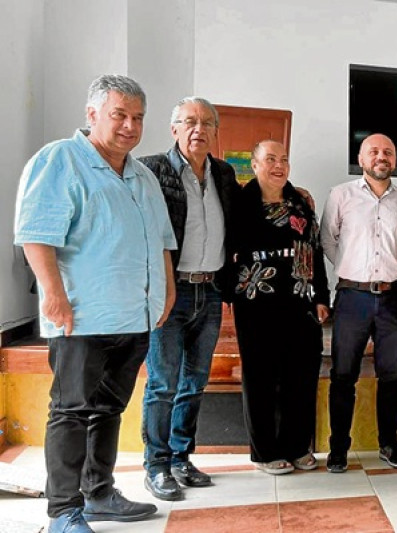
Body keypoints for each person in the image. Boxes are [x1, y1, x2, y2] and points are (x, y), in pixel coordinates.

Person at [14, 75, 174, 533]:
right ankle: (64, 511)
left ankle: (99, 493)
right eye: (118, 115)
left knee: (109, 409)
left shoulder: (142, 174)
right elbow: (35, 235)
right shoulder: (60, 160)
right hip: (81, 316)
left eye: (137, 117)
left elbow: (162, 242)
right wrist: (54, 297)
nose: (129, 125)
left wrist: (165, 293)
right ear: (92, 115)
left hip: (135, 315)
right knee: (71, 410)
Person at [138, 97, 239, 500]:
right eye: (189, 122)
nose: (199, 129)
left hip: (210, 290)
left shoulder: (225, 174)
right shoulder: (150, 170)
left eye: (206, 123)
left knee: (194, 382)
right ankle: (156, 464)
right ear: (174, 128)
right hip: (169, 291)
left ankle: (181, 456)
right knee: (163, 383)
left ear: (215, 131)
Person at [229, 140, 330, 475]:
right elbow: (224, 250)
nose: (278, 165)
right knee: (261, 379)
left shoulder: (301, 202)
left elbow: (314, 252)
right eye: (270, 159)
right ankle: (265, 452)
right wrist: (231, 292)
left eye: (284, 159)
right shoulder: (240, 203)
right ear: (255, 164)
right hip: (256, 303)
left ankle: (297, 446)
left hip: (300, 301)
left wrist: (321, 298)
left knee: (300, 376)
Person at [319, 133, 397, 473]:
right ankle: (338, 449)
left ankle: (388, 444)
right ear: (361, 159)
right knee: (343, 375)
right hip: (351, 298)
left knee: (392, 376)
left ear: (394, 159)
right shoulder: (341, 195)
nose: (381, 157)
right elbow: (327, 239)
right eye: (374, 151)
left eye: (388, 151)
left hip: (392, 298)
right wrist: (347, 266)